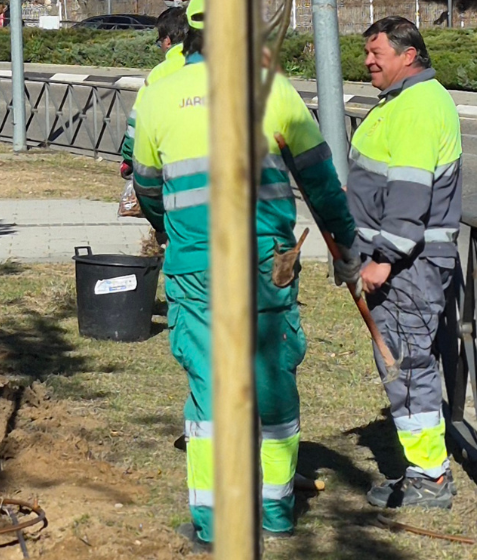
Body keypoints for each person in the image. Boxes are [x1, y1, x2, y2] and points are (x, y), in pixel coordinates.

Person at [132, 0, 361, 548]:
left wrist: (176, 234)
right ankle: (276, 511)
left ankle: (213, 523)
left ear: (187, 34)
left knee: (209, 393)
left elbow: (145, 186)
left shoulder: (157, 95)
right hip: (266, 267)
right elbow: (322, 182)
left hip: (196, 269)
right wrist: (346, 249)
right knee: (274, 384)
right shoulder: (272, 89)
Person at [345, 16, 462, 510]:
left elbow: (410, 195)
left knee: (408, 366)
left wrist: (384, 259)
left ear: (408, 55)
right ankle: (423, 469)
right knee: (406, 364)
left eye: (377, 54)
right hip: (403, 263)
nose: (368, 61)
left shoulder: (416, 106)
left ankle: (431, 478)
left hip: (408, 266)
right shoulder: (404, 101)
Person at [119, 5, 187, 180]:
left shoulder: (160, 73)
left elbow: (138, 120)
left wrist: (128, 159)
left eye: (160, 42)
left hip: (169, 165)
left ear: (167, 41)